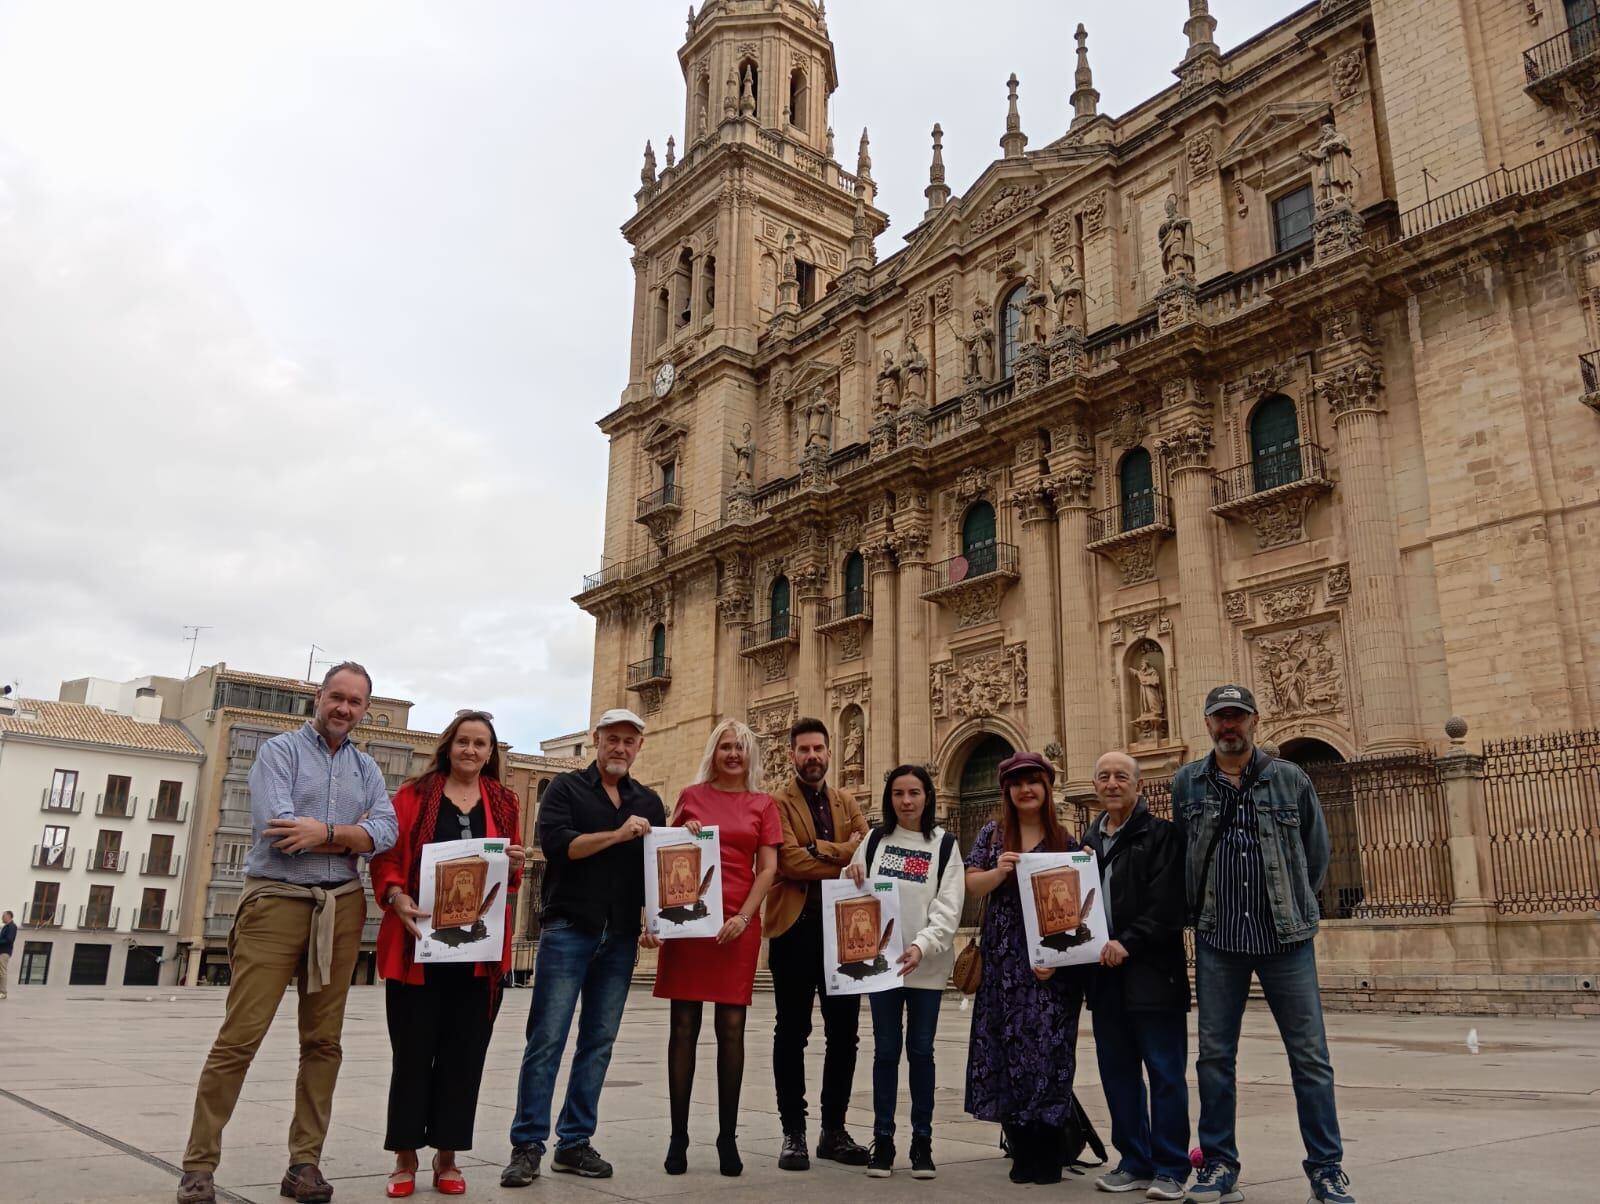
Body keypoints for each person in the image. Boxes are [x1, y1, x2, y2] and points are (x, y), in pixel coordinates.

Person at [178, 663, 399, 1204]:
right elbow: (279, 832)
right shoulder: (279, 753)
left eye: (355, 702)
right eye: (336, 698)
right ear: (318, 698)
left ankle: (305, 1165)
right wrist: (353, 838)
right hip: (276, 902)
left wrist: (324, 832)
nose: (344, 709)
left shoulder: (368, 768)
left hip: (342, 908)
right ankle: (198, 1165)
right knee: (240, 1038)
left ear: (365, 709)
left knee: (324, 1043)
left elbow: (387, 832)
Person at [1172, 686, 1355, 1204]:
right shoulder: (1188, 783)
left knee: (1311, 1058)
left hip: (1286, 939)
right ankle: (1219, 1164)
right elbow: (1186, 855)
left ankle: (1326, 1168)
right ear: (1207, 724)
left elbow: (1316, 854)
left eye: (1237, 717)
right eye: (1219, 718)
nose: (1229, 726)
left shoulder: (1289, 778)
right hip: (1219, 939)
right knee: (1215, 1058)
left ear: (1254, 720)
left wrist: (1295, 904)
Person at [502, 708, 665, 1186]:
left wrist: (656, 919)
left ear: (639, 747)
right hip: (569, 929)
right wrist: (618, 834)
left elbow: (653, 868)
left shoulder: (650, 803)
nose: (620, 747)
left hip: (617, 937)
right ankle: (528, 1144)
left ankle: (573, 1141)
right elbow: (560, 847)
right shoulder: (565, 790)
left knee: (597, 1043)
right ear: (597, 740)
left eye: (629, 741)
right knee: (547, 1039)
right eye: (612, 738)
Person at [371, 710, 526, 1198]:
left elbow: (509, 877)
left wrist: (515, 862)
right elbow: (387, 858)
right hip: (418, 948)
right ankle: (404, 1158)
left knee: (465, 1057)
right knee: (413, 1055)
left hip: (478, 955)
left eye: (482, 744)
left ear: (491, 752)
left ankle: (448, 1156)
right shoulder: (413, 796)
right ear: (448, 745)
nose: (471, 751)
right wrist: (396, 896)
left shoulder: (504, 802)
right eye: (464, 741)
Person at [642, 719, 781, 1177]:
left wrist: (744, 917)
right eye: (725, 747)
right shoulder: (691, 796)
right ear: (714, 752)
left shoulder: (764, 804)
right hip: (690, 921)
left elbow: (767, 869)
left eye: (740, 747)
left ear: (750, 755)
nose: (733, 754)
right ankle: (678, 1136)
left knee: (732, 1028)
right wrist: (686, 829)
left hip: (736, 926)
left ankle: (727, 1137)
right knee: (682, 1027)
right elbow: (666, 853)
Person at [963, 750, 1087, 1186]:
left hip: (1051, 965)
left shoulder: (1066, 841)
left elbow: (1077, 907)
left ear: (1047, 788)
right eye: (1017, 783)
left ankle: (1049, 1147)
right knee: (1007, 1047)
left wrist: (1055, 958)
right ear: (1008, 792)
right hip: (1005, 962)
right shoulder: (994, 834)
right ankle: (1021, 1147)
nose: (1026, 789)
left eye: (1033, 781)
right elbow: (970, 883)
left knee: (1051, 1052)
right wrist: (998, 872)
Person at [844, 764, 965, 1180]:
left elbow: (948, 908)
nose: (907, 801)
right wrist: (850, 871)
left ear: (928, 796)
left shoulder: (945, 846)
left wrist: (921, 945)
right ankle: (884, 1139)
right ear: (889, 798)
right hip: (882, 967)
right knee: (886, 1051)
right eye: (899, 793)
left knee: (921, 1051)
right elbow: (852, 892)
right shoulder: (875, 841)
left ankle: (922, 1141)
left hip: (925, 966)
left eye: (914, 793)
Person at [764, 716, 872, 1170]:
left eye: (818, 749)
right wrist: (839, 852)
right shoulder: (778, 802)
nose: (812, 756)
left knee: (844, 1035)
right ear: (792, 755)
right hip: (796, 930)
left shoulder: (846, 799)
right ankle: (794, 1131)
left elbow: (867, 847)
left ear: (830, 753)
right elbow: (788, 862)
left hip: (843, 933)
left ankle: (833, 1129)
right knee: (792, 1032)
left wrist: (820, 850)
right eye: (804, 749)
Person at [1082, 752, 1190, 1201]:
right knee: (1118, 1072)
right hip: (1104, 977)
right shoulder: (1086, 845)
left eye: (1121, 776)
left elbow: (1170, 902)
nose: (1112, 784)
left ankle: (1170, 1166)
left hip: (1152, 973)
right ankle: (1133, 1159)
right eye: (1103, 776)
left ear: (1139, 785)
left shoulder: (1162, 835)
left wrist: (1129, 941)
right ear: (1095, 785)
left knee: (1165, 1072)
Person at [0, 909, 15, 999]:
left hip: (4, 952)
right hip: (1, 951)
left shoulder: (12, 927)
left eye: (4, 916)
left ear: (9, 916)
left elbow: (9, 939)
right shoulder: (6, 926)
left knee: (2, 972)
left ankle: (3, 992)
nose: (2, 917)